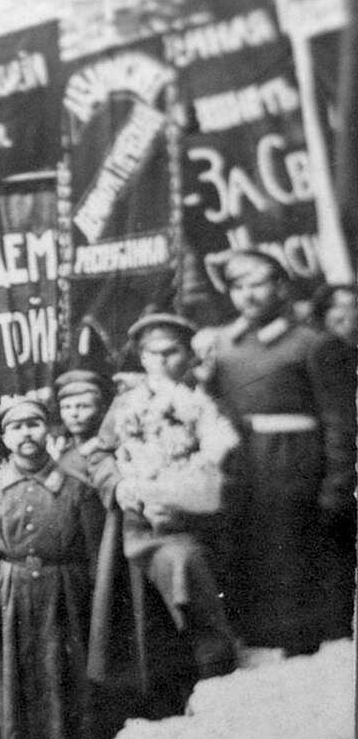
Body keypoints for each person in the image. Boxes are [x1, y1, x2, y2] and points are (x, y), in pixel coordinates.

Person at [82, 312, 241, 706]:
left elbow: (233, 459)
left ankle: (218, 689)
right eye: (152, 354)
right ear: (142, 358)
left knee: (201, 593)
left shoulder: (209, 398)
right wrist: (118, 485)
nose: (163, 361)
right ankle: (170, 704)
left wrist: (199, 489)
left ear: (188, 354)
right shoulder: (127, 403)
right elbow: (100, 454)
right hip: (142, 526)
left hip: (205, 522)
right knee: (154, 616)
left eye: (172, 352)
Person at [202, 250, 356, 654]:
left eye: (257, 283)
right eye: (237, 286)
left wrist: (337, 486)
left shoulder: (315, 344)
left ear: (281, 287)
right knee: (252, 565)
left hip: (297, 467)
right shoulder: (223, 344)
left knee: (298, 569)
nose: (247, 295)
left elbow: (341, 423)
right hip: (244, 467)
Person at [0, 398, 103, 739]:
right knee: (16, 682)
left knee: (63, 680)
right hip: (10, 596)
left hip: (64, 596)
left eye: (34, 424)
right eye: (17, 427)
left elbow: (95, 558)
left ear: (48, 430)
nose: (26, 433)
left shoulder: (77, 488)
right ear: (4, 437)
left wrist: (96, 617)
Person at [51, 370, 111, 481]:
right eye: (66, 407)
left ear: (101, 410)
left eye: (83, 406)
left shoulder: (104, 448)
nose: (74, 414)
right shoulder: (58, 445)